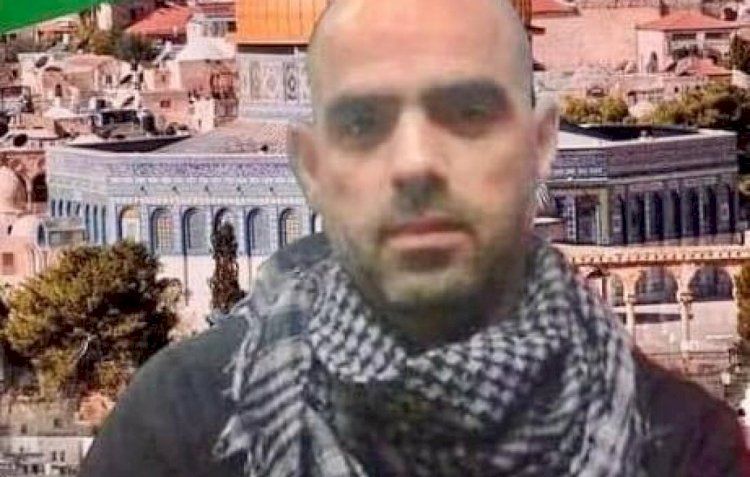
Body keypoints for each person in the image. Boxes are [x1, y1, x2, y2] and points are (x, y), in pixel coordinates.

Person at [79, 0, 749, 475]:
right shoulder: (180, 424)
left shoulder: (681, 442)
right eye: (366, 123)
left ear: (540, 145)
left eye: (468, 115)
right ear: (312, 167)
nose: (417, 166)